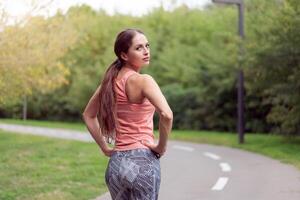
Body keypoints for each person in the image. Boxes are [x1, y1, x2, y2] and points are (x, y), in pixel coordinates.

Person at [82, 28, 173, 200]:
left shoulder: (108, 83)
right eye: (138, 48)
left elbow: (88, 115)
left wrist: (104, 148)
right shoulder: (144, 81)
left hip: (116, 165)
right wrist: (161, 147)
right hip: (143, 163)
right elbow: (167, 114)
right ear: (124, 55)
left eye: (147, 46)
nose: (146, 51)